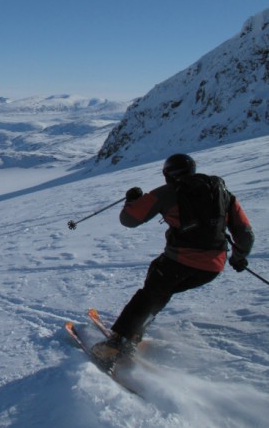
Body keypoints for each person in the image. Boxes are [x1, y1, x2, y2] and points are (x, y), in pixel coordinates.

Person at [91, 153, 254, 365]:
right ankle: (133, 332)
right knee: (161, 288)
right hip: (212, 268)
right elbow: (245, 233)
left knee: (151, 293)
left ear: (168, 174)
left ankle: (116, 344)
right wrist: (238, 257)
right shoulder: (222, 193)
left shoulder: (168, 193)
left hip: (180, 260)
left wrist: (132, 200)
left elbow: (129, 220)